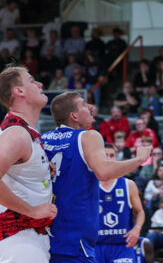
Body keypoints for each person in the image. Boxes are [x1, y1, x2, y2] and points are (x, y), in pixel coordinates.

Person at [43, 92, 151, 263]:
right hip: (75, 237)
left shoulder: (43, 139)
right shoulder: (88, 135)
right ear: (74, 116)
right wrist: (139, 160)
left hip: (47, 235)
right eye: (85, 105)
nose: (91, 107)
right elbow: (104, 172)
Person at [0, 67, 57, 262]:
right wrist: (32, 211)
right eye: (32, 81)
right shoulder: (16, 134)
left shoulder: (24, 132)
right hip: (18, 240)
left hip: (26, 239)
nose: (40, 84)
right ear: (19, 91)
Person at [96, 144, 145, 263]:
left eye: (112, 155)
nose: (108, 158)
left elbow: (139, 211)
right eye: (105, 155)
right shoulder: (88, 184)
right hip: (95, 245)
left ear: (116, 158)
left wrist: (136, 229)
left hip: (122, 246)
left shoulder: (128, 184)